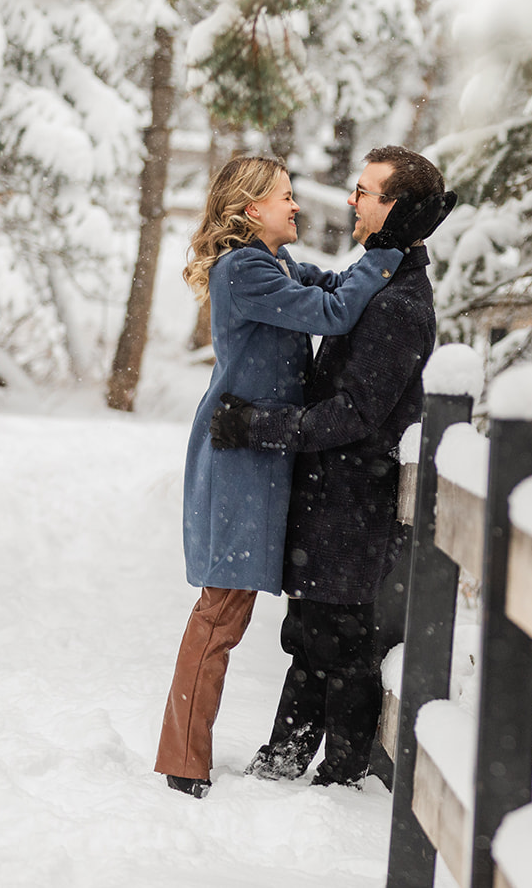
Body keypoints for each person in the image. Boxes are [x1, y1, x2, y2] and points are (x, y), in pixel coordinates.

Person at [157, 154, 451, 799]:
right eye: (285, 197)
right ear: (249, 209)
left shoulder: (278, 265)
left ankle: (215, 752)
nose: (300, 206)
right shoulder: (245, 268)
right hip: (240, 451)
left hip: (266, 453)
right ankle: (182, 758)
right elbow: (337, 311)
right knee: (221, 610)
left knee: (249, 615)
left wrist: (399, 244)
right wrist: (392, 247)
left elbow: (338, 283)